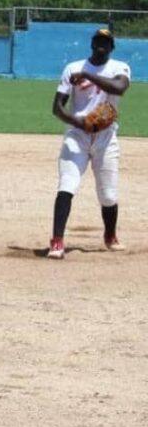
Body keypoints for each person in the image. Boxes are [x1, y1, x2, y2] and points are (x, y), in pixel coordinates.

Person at [48, 28, 131, 259]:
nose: (101, 45)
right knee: (67, 183)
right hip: (77, 134)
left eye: (106, 42)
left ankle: (110, 235)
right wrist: (78, 122)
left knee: (108, 194)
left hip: (106, 136)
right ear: (91, 44)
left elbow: (119, 88)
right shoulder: (71, 68)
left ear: (112, 47)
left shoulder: (120, 68)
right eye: (97, 41)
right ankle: (57, 241)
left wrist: (88, 75)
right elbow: (57, 107)